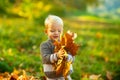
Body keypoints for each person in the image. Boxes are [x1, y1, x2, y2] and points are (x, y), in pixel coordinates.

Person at [40, 15, 74, 80]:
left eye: (59, 31)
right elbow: (45, 59)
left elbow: (72, 57)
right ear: (46, 31)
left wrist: (67, 57)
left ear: (62, 31)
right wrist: (57, 56)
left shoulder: (65, 43)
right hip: (52, 74)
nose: (56, 33)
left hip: (65, 73)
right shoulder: (45, 45)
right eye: (52, 31)